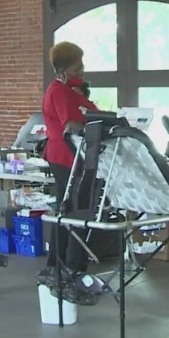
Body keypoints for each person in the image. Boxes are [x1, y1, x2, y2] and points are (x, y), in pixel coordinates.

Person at [41, 42, 98, 283]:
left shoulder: (66, 90)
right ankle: (74, 266)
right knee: (77, 210)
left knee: (65, 208)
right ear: (63, 70)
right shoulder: (60, 92)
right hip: (68, 156)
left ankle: (57, 264)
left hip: (64, 155)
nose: (82, 71)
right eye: (77, 68)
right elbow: (71, 125)